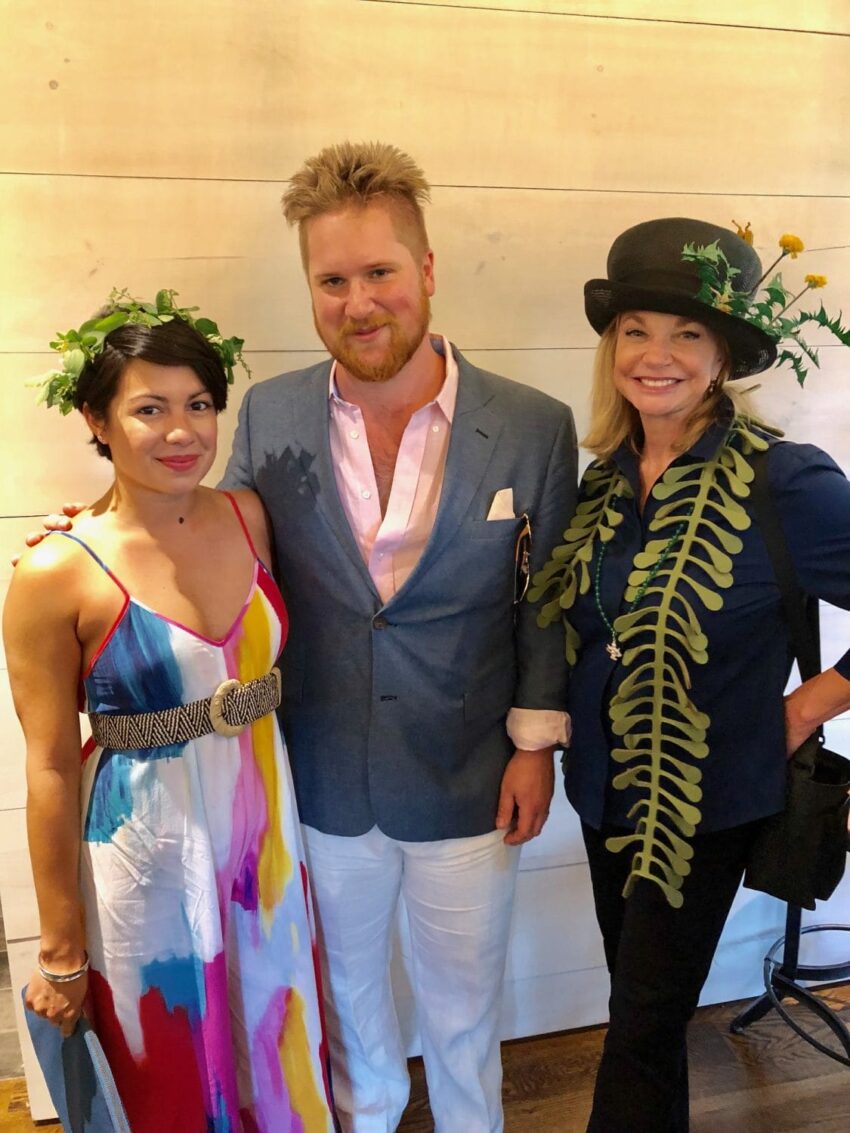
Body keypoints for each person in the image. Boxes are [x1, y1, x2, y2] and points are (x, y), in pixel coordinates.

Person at [218, 141, 577, 1132]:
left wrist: (535, 744)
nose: (358, 302)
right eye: (331, 281)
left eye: (379, 271)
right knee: (347, 1008)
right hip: (323, 772)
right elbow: (224, 546)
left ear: (426, 268)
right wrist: (110, 535)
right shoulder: (270, 411)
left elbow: (547, 597)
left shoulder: (533, 423)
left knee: (464, 1014)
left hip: (471, 773)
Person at [532, 217, 850, 1132]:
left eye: (686, 333)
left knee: (639, 1022)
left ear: (722, 358)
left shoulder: (782, 480)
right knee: (645, 1009)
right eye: (636, 330)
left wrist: (808, 705)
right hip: (603, 786)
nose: (656, 355)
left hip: (705, 796)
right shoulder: (603, 483)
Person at [4, 299, 336, 1132]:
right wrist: (59, 947)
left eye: (199, 404)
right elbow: (49, 765)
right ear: (97, 419)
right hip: (145, 853)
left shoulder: (247, 515)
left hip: (264, 842)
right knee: (174, 1066)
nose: (181, 431)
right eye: (149, 408)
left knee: (276, 1052)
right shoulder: (56, 572)